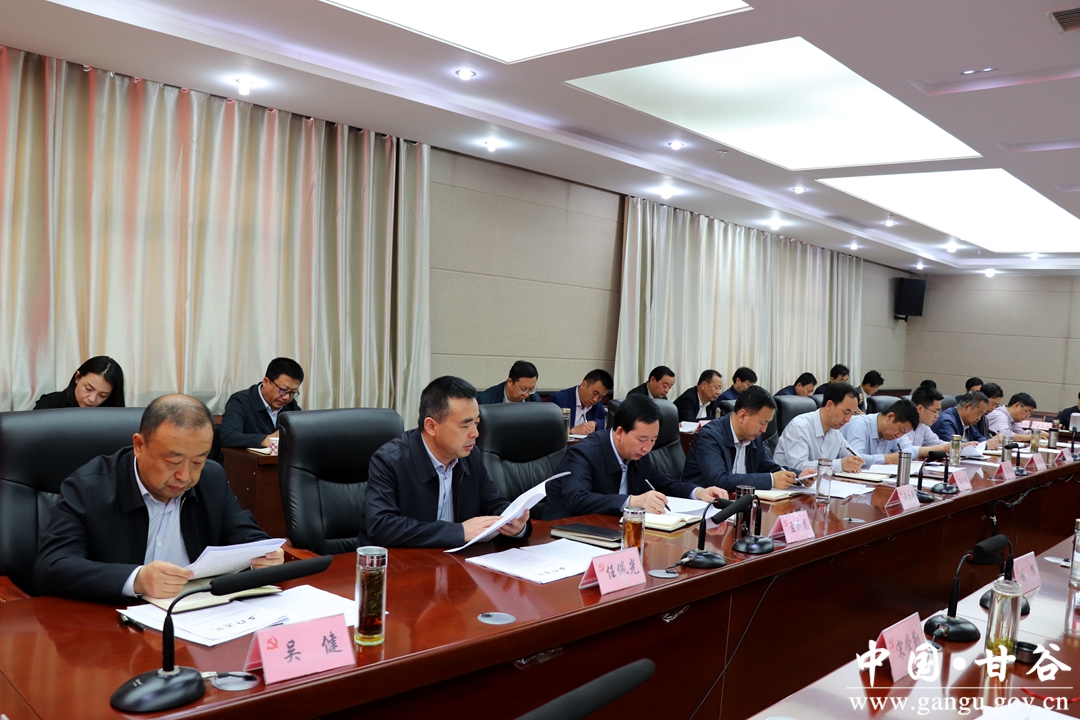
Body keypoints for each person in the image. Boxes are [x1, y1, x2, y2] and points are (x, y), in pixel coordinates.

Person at [34, 395, 283, 604]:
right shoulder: (89, 487)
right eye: (173, 462)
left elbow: (246, 535)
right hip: (117, 621)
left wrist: (265, 556)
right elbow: (52, 566)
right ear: (139, 445)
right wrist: (137, 579)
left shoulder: (211, 478)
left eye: (197, 462)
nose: (185, 476)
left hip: (197, 614)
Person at [360, 376, 530, 547]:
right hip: (406, 560)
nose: (475, 433)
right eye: (465, 425)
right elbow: (381, 526)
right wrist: (459, 532)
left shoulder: (470, 456)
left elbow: (493, 502)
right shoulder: (389, 460)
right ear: (431, 426)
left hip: (457, 558)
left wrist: (515, 523)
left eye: (476, 423)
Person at [545, 395, 728, 518]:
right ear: (619, 432)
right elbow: (577, 500)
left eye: (653, 440)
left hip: (615, 529)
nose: (647, 448)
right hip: (567, 532)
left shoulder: (639, 454)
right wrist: (632, 501)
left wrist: (698, 492)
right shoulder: (583, 453)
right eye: (642, 439)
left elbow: (664, 483)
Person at [682, 386, 810, 491]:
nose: (764, 430)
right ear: (743, 416)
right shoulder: (710, 436)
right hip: (704, 505)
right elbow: (719, 480)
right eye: (762, 423)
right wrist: (771, 480)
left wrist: (798, 475)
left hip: (738, 502)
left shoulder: (753, 436)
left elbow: (767, 467)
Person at [774, 382, 864, 474]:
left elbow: (851, 454)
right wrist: (840, 464)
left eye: (852, 414)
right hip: (791, 482)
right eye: (846, 412)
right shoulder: (799, 427)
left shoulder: (835, 430)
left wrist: (856, 461)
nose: (848, 419)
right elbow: (799, 467)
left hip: (822, 481)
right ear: (829, 405)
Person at [219, 357, 304, 448]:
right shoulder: (240, 401)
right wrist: (266, 440)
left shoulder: (291, 405)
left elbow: (302, 433)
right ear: (266, 382)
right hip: (244, 457)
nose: (286, 397)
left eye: (292, 392)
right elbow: (228, 437)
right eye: (283, 390)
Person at [840, 399, 919, 466]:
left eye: (904, 433)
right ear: (890, 417)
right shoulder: (860, 424)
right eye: (901, 430)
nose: (899, 436)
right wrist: (887, 459)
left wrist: (900, 456)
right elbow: (855, 458)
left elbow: (911, 450)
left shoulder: (893, 433)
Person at [898, 385, 969, 458]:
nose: (937, 416)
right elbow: (907, 451)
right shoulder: (901, 424)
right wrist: (942, 448)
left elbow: (937, 443)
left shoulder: (923, 425)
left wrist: (963, 446)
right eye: (935, 411)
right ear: (920, 409)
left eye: (939, 411)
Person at [33, 356, 126, 409]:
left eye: (103, 395)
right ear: (77, 377)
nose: (92, 399)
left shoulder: (114, 416)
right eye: (88, 389)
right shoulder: (49, 405)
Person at [547, 369, 614, 435]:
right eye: (595, 393)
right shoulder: (558, 399)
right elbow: (551, 428)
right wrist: (572, 430)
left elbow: (608, 422)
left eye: (601, 397)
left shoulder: (597, 404)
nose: (595, 399)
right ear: (584, 384)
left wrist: (595, 423)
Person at [930, 391, 1000, 449]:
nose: (979, 418)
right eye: (979, 413)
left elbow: (979, 438)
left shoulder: (967, 422)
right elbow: (953, 446)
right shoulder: (946, 421)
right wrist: (985, 446)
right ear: (967, 407)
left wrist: (989, 442)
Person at [476, 360, 541, 404]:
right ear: (510, 382)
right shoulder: (486, 401)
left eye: (531, 390)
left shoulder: (535, 400)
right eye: (523, 389)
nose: (526, 394)